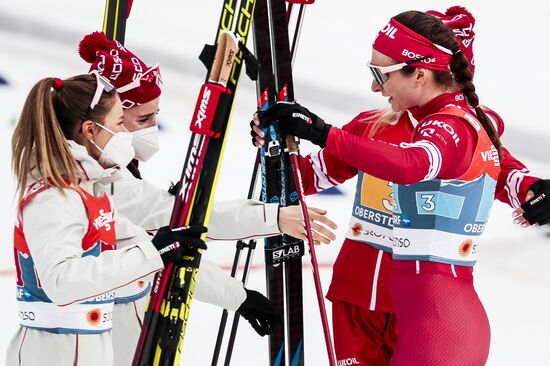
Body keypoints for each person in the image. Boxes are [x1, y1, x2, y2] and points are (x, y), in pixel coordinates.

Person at [252, 7, 550, 366]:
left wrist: (532, 188)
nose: (376, 87)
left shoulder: (461, 129)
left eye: (382, 74)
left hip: (415, 305)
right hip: (358, 297)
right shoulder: (373, 126)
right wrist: (272, 146)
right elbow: (303, 178)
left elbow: (502, 172)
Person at [77, 31, 338, 365]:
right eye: (143, 119)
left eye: (156, 115)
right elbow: (179, 217)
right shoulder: (96, 183)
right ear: (98, 123)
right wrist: (273, 218)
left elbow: (162, 246)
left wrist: (239, 298)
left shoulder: (111, 169)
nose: (153, 127)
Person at [6, 73, 211, 365]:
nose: (125, 134)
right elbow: (61, 281)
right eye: (118, 124)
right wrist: (153, 252)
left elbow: (136, 247)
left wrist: (167, 230)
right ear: (90, 130)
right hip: (55, 351)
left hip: (86, 346)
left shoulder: (91, 187)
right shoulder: (54, 196)